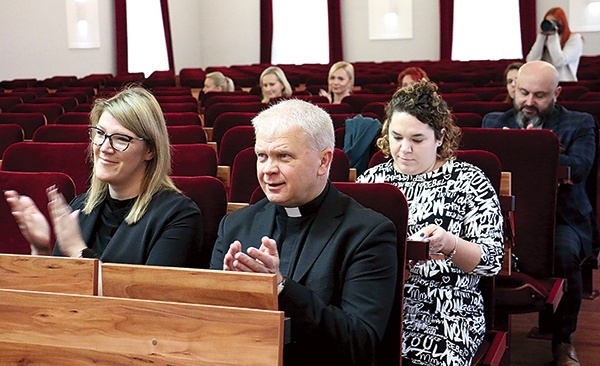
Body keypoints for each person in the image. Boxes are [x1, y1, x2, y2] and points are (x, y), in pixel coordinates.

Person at [209, 99, 398, 366]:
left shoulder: (367, 233)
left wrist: (280, 288)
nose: (267, 169)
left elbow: (360, 344)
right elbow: (212, 327)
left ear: (323, 161)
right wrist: (225, 294)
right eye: (262, 156)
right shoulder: (236, 226)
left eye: (283, 156)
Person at [357, 80, 504, 366]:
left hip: (447, 309)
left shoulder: (469, 182)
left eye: (417, 139)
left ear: (440, 138)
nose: (404, 149)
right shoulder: (372, 180)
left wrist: (450, 244)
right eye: (397, 137)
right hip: (381, 303)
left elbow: (492, 261)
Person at [4, 86, 204, 267]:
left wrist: (77, 251)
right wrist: (41, 250)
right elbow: (58, 288)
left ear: (150, 150)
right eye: (100, 133)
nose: (105, 148)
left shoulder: (179, 216)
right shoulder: (80, 207)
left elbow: (146, 298)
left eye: (121, 139)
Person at [482, 60, 597, 366]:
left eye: (539, 95)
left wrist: (536, 147)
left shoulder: (579, 123)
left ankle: (562, 341)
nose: (529, 102)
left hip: (562, 216)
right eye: (523, 93)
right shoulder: (494, 121)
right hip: (503, 216)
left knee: (564, 255)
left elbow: (580, 167)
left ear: (556, 93)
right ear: (513, 89)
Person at [526, 7, 583, 82]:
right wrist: (541, 37)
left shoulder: (574, 39)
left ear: (562, 22)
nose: (550, 25)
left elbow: (559, 61)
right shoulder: (545, 39)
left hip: (564, 82)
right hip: (544, 82)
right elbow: (531, 61)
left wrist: (553, 36)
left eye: (554, 22)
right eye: (547, 22)